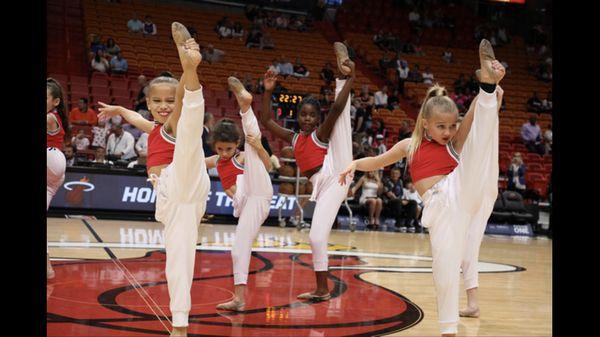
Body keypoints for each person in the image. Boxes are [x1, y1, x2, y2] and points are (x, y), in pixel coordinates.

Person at [340, 40, 505, 336]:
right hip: (440, 211)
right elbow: (377, 161)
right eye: (441, 126)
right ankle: (448, 330)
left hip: (459, 189)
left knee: (481, 145)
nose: (448, 132)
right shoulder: (410, 145)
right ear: (426, 124)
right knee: (443, 270)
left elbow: (478, 124)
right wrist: (354, 164)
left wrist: (492, 93)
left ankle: (488, 88)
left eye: (452, 126)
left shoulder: (455, 143)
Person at [99, 23, 209, 336]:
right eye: (157, 101)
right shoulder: (155, 129)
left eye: (169, 100)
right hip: (174, 200)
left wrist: (186, 67)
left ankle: (189, 64)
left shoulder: (173, 124)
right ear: (148, 104)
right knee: (178, 258)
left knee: (189, 123)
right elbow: (136, 120)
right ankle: (180, 326)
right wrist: (120, 108)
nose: (164, 106)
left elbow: (181, 110)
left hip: (182, 179)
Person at [259, 42, 355, 301]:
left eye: (312, 116)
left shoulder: (319, 134)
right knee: (316, 237)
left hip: (336, 172)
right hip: (322, 183)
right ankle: (322, 289)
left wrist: (351, 80)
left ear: (317, 119)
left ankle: (346, 75)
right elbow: (266, 121)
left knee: (342, 123)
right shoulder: (294, 138)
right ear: (298, 116)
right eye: (304, 115)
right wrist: (268, 91)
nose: (307, 119)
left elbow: (335, 110)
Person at [208, 78, 273, 312]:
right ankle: (239, 298)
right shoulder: (215, 160)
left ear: (236, 144)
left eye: (229, 148)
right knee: (239, 248)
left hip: (257, 188)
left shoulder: (241, 155)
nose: (224, 154)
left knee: (254, 148)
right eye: (220, 149)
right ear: (214, 146)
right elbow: (193, 162)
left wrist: (259, 148)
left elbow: (269, 166)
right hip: (246, 202)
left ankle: (245, 106)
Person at [47, 78, 69, 280]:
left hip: (53, 158)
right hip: (52, 178)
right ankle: (48, 266)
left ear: (55, 102)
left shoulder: (51, 118)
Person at [383, 168, 418, 232]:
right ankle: (398, 224)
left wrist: (404, 200)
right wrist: (401, 200)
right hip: (389, 202)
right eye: (393, 173)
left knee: (413, 202)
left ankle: (408, 223)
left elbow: (401, 194)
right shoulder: (387, 181)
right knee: (397, 201)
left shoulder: (400, 182)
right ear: (390, 174)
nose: (394, 175)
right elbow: (390, 195)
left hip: (399, 201)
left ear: (399, 175)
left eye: (396, 174)